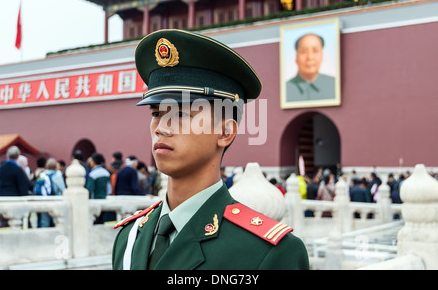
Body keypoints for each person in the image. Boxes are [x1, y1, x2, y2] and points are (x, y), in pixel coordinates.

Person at [112, 29, 309, 270]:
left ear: (225, 132)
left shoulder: (265, 253)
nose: (161, 127)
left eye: (181, 113)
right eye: (156, 113)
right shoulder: (130, 237)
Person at [285, 33, 335, 102]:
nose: (310, 57)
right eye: (303, 51)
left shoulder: (334, 85)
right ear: (296, 57)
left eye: (315, 51)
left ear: (322, 55)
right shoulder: (285, 89)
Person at [86, 153, 111, 224]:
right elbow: (109, 190)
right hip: (104, 201)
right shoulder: (106, 173)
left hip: (94, 202)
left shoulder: (93, 174)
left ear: (93, 162)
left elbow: (89, 190)